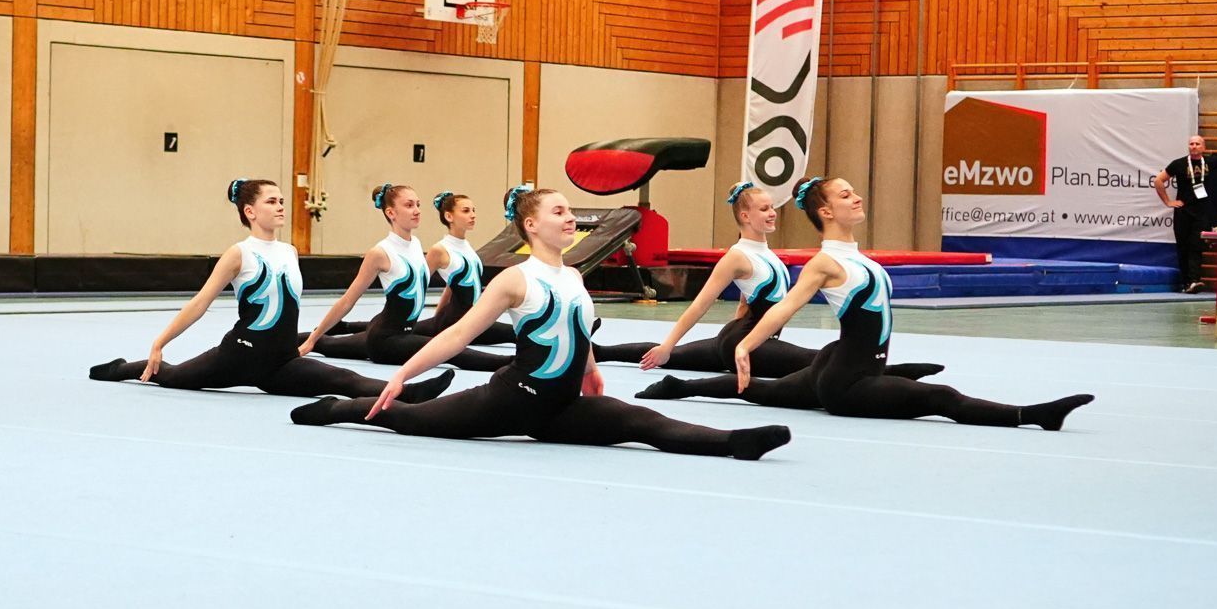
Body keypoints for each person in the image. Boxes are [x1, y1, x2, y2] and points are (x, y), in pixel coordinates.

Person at [289, 186, 792, 460]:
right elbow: (457, 334)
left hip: (563, 407)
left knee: (641, 421)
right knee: (409, 419)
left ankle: (733, 443)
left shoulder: (573, 274)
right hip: (508, 401)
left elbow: (577, 332)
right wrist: (402, 376)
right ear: (531, 225)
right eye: (559, 211)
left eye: (570, 210)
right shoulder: (514, 280)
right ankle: (340, 407)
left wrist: (592, 368)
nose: (571, 218)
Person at [659, 176, 1091, 430]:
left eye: (853, 192)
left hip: (836, 364)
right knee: (940, 397)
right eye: (845, 195)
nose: (856, 198)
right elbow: (784, 307)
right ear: (826, 212)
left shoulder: (856, 257)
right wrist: (743, 345)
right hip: (849, 384)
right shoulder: (824, 262)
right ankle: (1030, 415)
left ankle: (682, 386)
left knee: (763, 391)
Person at [88, 178, 455, 401]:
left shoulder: (289, 251)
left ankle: (405, 392)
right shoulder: (239, 254)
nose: (281, 206)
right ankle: (125, 367)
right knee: (170, 376)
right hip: (239, 356)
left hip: (282, 362)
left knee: (343, 379)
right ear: (249, 211)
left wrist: (311, 340)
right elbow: (201, 302)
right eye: (271, 201)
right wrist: (158, 343)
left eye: (281, 200)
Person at [594, 180, 941, 382]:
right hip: (750, 341)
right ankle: (889, 372)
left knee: (677, 360)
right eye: (763, 209)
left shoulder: (768, 254)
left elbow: (753, 301)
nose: (772, 213)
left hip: (742, 335)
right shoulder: (736, 256)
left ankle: (597, 350)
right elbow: (700, 304)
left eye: (773, 207)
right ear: (744, 216)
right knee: (818, 361)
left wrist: (737, 322)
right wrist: (668, 342)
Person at [300, 184, 509, 370]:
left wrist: (438, 317)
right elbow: (347, 300)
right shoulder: (380, 253)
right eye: (409, 205)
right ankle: (510, 363)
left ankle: (307, 338)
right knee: (451, 350)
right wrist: (312, 339)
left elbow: (440, 284)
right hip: (387, 339)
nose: (417, 210)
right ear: (391, 212)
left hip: (393, 332)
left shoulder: (416, 244)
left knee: (329, 345)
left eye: (418, 205)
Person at [1154, 135, 1217, 293]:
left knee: (1196, 246)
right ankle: (1186, 282)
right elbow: (1159, 181)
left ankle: (1194, 281)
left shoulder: (1209, 162)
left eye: (1197, 144)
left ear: (1203, 147)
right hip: (1183, 211)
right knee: (1183, 247)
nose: (1194, 146)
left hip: (1202, 211)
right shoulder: (1179, 164)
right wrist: (1168, 202)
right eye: (1191, 144)